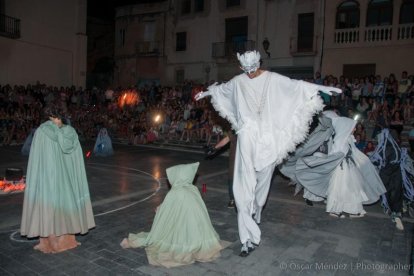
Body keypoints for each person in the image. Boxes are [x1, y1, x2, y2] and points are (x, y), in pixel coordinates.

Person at [195, 50, 341, 256]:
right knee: (242, 188)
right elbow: (224, 90)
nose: (250, 74)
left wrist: (322, 87)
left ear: (259, 63)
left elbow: (296, 86)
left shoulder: (272, 79)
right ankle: (248, 238)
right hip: (247, 136)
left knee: (262, 186)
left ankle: (257, 210)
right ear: (241, 68)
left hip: (269, 139)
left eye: (252, 69)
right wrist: (207, 93)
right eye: (246, 70)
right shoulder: (238, 81)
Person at [20, 106, 95, 253]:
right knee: (63, 204)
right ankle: (60, 241)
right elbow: (74, 155)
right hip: (63, 177)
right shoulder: (68, 132)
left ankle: (50, 241)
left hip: (48, 177)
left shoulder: (42, 130)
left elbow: (37, 157)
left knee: (48, 206)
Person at [120, 162, 223, 267]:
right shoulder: (193, 189)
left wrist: (159, 210)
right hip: (198, 230)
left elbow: (168, 210)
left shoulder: (176, 192)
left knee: (166, 237)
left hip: (182, 226)